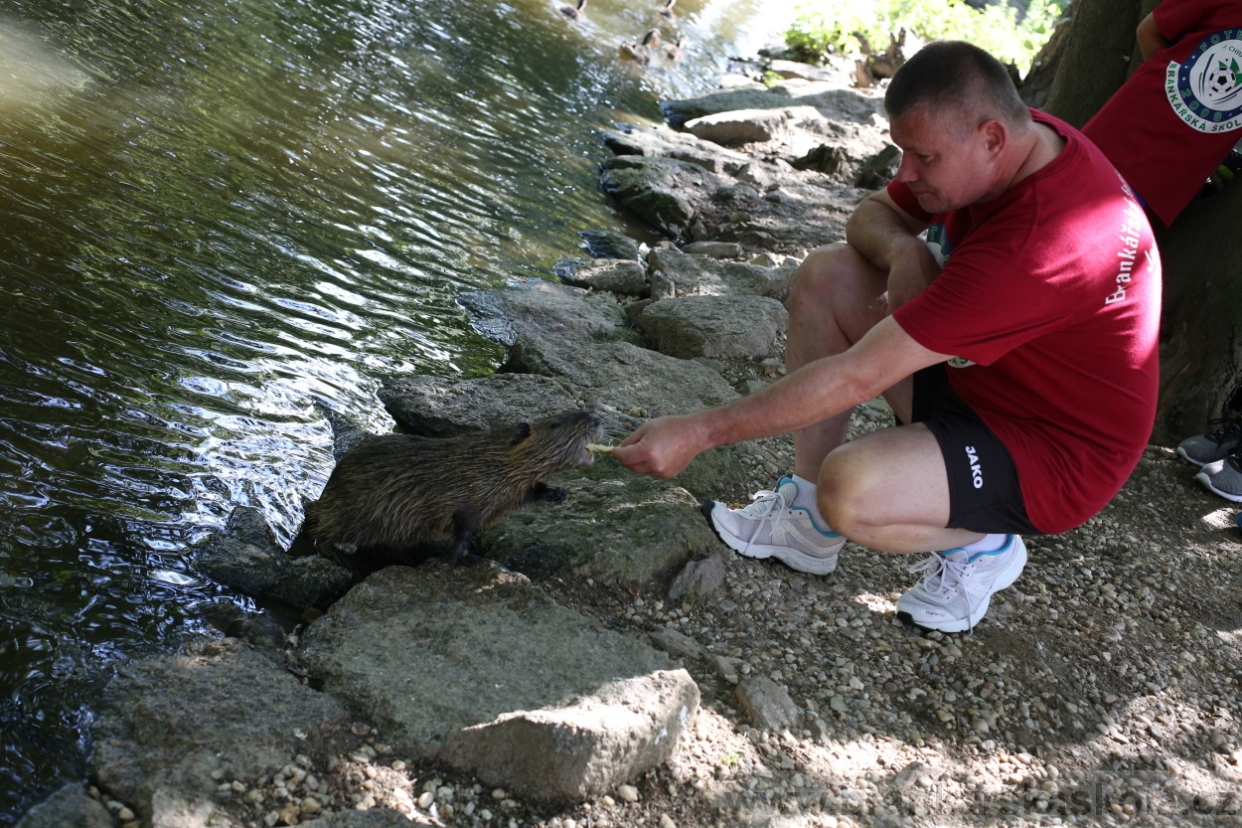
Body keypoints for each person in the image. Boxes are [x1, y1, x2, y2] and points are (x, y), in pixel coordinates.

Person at [611, 41, 1162, 634]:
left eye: (923, 157)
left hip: (1051, 454)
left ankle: (984, 543)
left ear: (992, 139)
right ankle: (806, 522)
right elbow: (870, 215)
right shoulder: (1016, 141)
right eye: (903, 151)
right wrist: (904, 251)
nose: (905, 174)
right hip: (990, 378)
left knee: (850, 490)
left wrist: (698, 431)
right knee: (829, 274)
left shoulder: (1038, 246)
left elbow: (854, 376)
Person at [1081, 0, 1242, 228]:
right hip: (1120, 132)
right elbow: (1148, 31)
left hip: (1165, 176)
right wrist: (1175, 85)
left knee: (1093, 233)